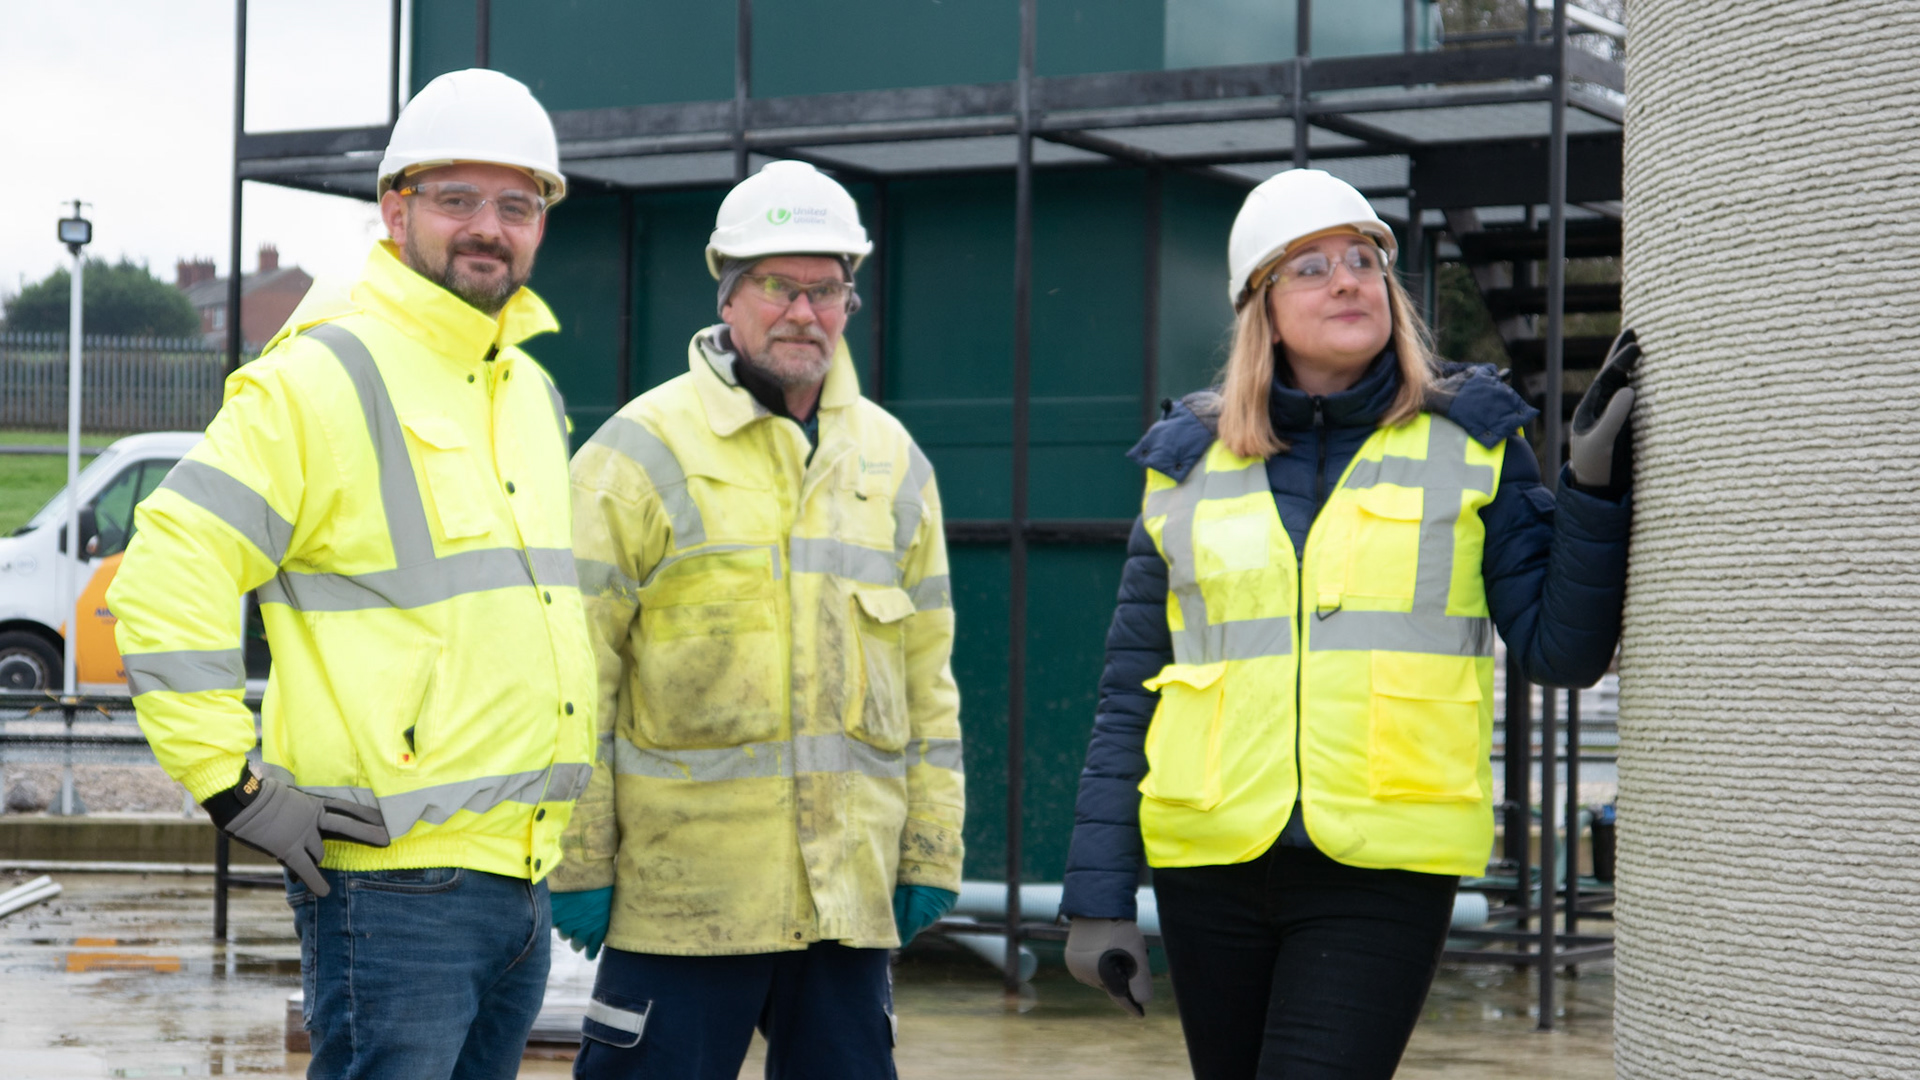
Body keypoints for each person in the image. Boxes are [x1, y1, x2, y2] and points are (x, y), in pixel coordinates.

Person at [1057, 168, 1635, 1080]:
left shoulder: (1473, 440)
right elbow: (1131, 692)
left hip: (1383, 869)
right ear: (1260, 306)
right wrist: (1097, 896)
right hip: (1209, 863)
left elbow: (1561, 651)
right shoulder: (1185, 463)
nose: (1348, 281)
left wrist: (1591, 489)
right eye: (1312, 267)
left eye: (1364, 261)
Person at [108, 68, 596, 1080]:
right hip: (392, 889)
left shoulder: (529, 392)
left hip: (522, 877)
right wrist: (230, 784)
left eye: (516, 205)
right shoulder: (323, 375)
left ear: (542, 224)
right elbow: (169, 565)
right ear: (395, 210)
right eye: (457, 198)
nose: (488, 228)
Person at [548, 159, 966, 1079]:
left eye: (827, 289)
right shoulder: (636, 455)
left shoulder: (892, 463)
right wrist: (578, 861)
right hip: (682, 902)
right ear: (728, 294)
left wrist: (932, 847)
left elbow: (928, 682)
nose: (803, 312)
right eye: (778, 286)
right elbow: (572, 680)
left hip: (846, 899)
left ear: (850, 302)